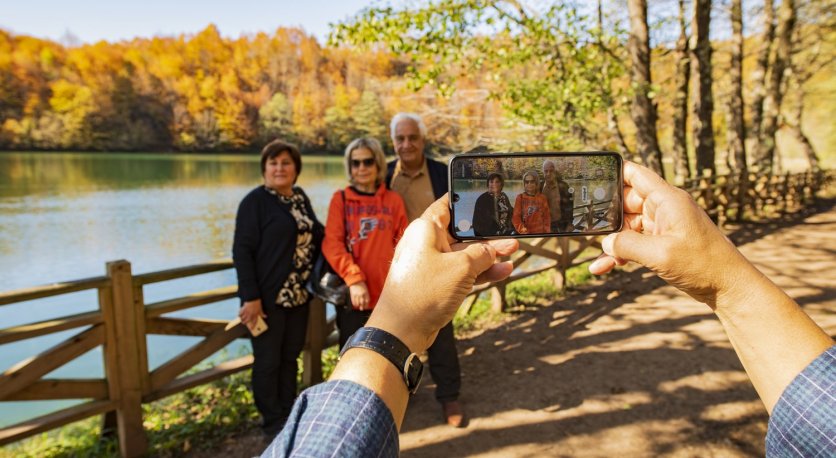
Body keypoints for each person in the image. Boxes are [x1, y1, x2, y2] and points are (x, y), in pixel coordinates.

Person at [264, 161, 834, 457]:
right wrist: (726, 284)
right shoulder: (345, 199)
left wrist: (399, 319)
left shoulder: (496, 197)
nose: (366, 167)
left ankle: (450, 394)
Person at [232, 140, 323, 437]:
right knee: (268, 361)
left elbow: (317, 233)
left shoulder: (299, 198)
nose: (279, 168)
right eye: (273, 163)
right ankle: (271, 421)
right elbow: (242, 251)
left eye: (286, 162)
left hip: (299, 296)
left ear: (296, 169)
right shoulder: (254, 202)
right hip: (268, 299)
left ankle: (288, 411)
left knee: (289, 357)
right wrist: (251, 297)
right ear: (264, 169)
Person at [384, 112, 466, 427]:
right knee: (394, 335)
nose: (406, 144)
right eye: (400, 139)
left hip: (435, 262)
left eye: (412, 138)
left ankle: (450, 397)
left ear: (423, 140)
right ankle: (396, 399)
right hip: (393, 268)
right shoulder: (383, 174)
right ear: (393, 142)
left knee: (441, 334)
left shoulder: (442, 173)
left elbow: (461, 216)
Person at [323, 137, 409, 349]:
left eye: (368, 161)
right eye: (356, 162)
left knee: (386, 357)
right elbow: (332, 244)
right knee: (351, 356)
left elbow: (404, 245)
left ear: (378, 164)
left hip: (388, 297)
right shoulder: (340, 199)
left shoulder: (392, 200)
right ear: (350, 167)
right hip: (355, 297)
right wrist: (354, 280)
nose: (362, 168)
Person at [512, 170, 550, 234]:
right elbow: (516, 218)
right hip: (526, 234)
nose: (529, 184)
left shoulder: (542, 198)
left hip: (541, 233)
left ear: (536, 183)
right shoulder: (520, 198)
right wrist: (524, 231)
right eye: (527, 182)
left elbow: (547, 218)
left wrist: (546, 233)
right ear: (524, 184)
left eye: (532, 182)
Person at [541, 159, 573, 232]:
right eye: (546, 171)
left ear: (555, 172)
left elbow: (569, 206)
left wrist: (570, 223)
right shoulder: (539, 187)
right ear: (543, 172)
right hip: (544, 226)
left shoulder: (564, 186)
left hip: (561, 225)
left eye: (551, 171)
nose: (548, 173)